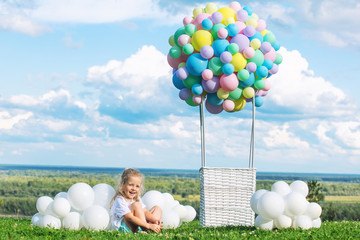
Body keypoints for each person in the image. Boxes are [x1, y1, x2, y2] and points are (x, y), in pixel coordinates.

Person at [110, 168, 162, 233]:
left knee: (157, 208)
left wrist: (154, 219)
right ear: (122, 184)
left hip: (137, 224)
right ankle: (147, 229)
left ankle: (154, 226)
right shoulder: (120, 200)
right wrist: (148, 225)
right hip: (124, 227)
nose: (134, 188)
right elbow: (129, 218)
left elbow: (145, 212)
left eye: (137, 186)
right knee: (136, 205)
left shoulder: (136, 198)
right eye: (131, 185)